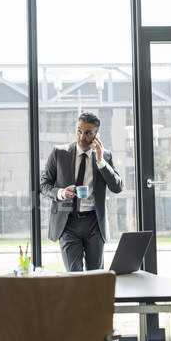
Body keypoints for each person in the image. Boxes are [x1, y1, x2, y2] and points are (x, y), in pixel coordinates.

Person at [40, 112, 123, 271]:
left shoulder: (105, 156)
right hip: (68, 222)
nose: (82, 136)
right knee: (74, 276)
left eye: (87, 133)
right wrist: (61, 193)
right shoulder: (59, 153)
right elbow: (44, 185)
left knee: (95, 276)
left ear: (96, 135)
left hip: (94, 222)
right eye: (79, 130)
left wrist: (101, 162)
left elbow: (117, 187)